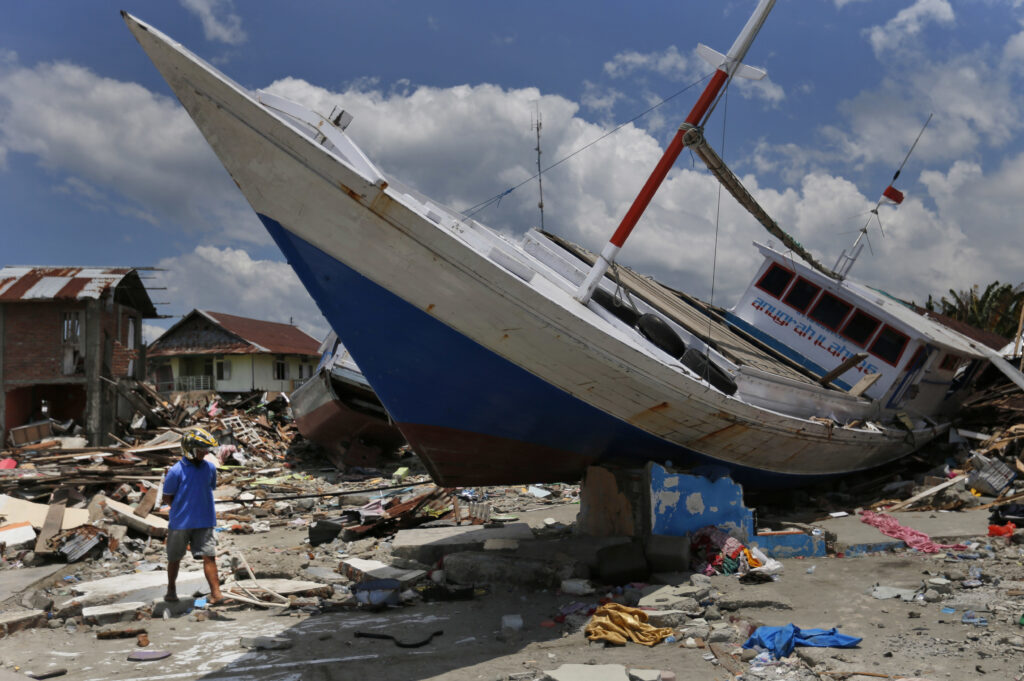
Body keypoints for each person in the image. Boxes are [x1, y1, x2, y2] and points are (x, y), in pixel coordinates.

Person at [161, 427, 227, 604]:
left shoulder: (210, 468)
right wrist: (182, 509)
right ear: (190, 450)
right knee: (175, 558)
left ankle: (216, 593)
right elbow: (167, 497)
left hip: (205, 520)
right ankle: (171, 590)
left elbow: (208, 489)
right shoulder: (176, 471)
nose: (205, 453)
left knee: (209, 556)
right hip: (180, 523)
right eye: (201, 450)